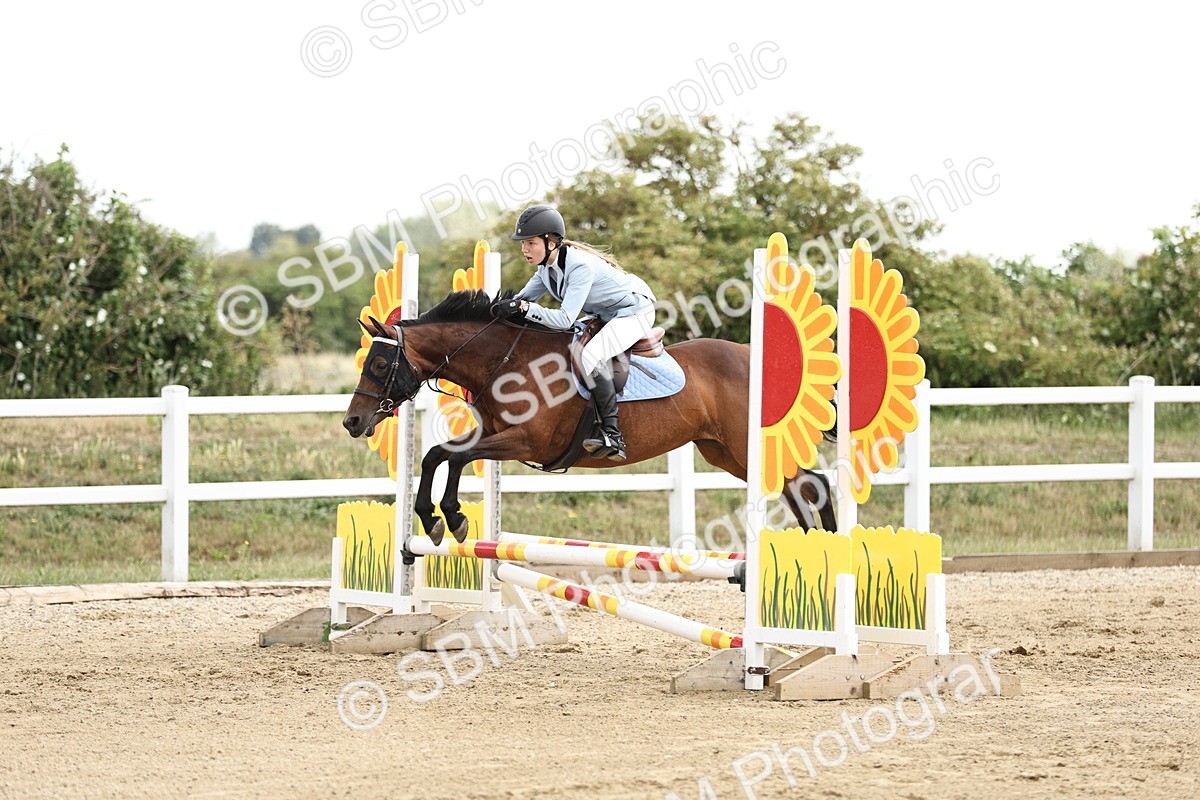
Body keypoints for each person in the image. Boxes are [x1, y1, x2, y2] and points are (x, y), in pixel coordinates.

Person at [493, 204, 656, 462]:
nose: (525, 249)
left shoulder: (579, 266)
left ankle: (612, 435)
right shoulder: (545, 270)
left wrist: (524, 308)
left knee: (591, 355)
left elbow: (564, 319)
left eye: (531, 243)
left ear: (551, 242)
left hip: (634, 312)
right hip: (605, 314)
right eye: (523, 243)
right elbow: (522, 300)